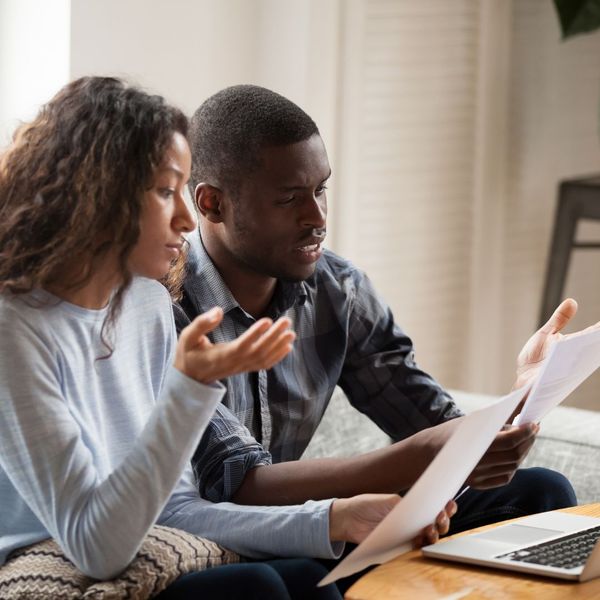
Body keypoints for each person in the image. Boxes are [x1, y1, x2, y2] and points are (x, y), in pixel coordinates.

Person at [0, 77, 455, 600]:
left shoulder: (145, 304)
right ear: (101, 197)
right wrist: (191, 388)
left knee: (311, 578)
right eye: (166, 191)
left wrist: (333, 518)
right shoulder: (16, 329)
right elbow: (96, 546)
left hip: (137, 542)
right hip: (42, 561)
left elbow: (177, 510)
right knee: (253, 588)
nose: (186, 218)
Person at [177, 84, 581, 550]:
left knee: (541, 491)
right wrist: (423, 457)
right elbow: (239, 485)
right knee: (288, 578)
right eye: (288, 199)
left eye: (321, 189)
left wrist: (527, 391)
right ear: (212, 204)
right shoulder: (165, 310)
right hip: (229, 540)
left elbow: (432, 425)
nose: (317, 216)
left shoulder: (337, 289)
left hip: (328, 521)